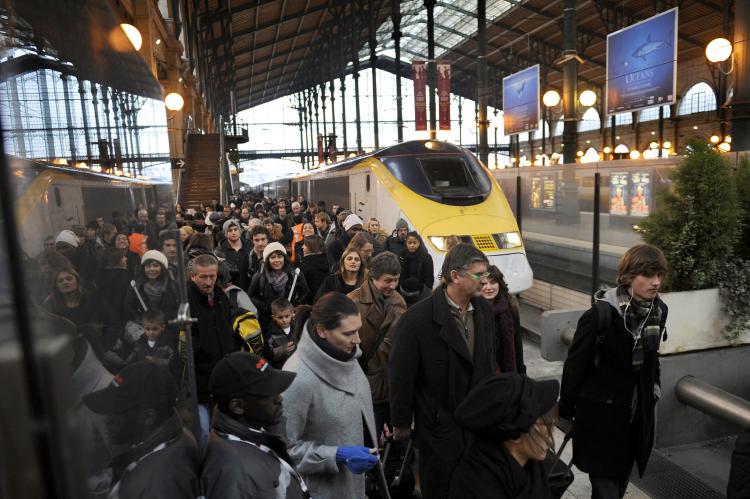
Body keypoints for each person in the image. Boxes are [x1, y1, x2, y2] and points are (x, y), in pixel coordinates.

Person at [559, 244, 669, 499]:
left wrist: (654, 388)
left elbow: (653, 357)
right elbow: (575, 366)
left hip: (636, 420)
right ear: (630, 276)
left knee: (618, 487)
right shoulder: (600, 315)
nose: (656, 282)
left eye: (659, 275)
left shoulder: (658, 311)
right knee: (606, 490)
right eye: (648, 275)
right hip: (601, 419)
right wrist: (566, 413)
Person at [389, 243, 497, 499]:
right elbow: (402, 375)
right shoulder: (417, 320)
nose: (485, 280)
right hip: (440, 428)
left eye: (487, 273)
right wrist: (401, 423)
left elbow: (488, 361)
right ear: (455, 276)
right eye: (479, 274)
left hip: (479, 423)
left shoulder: (483, 311)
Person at [283, 292, 378, 499]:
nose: (358, 339)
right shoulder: (297, 376)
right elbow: (285, 449)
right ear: (322, 331)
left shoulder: (346, 356)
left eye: (358, 330)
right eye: (348, 333)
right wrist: (336, 456)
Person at [82, 362, 199, 498]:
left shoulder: (150, 485)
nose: (107, 420)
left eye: (116, 412)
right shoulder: (175, 440)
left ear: (148, 417)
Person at [202, 352, 307, 499]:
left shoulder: (257, 433)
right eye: (269, 393)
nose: (279, 398)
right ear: (238, 406)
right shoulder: (236, 474)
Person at [448, 374, 560, 499]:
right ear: (514, 436)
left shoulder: (531, 466)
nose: (553, 428)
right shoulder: (474, 487)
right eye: (546, 423)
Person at [347, 251, 405, 439]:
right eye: (388, 280)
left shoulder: (398, 301)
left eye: (396, 280)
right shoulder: (352, 302)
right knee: (367, 440)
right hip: (364, 382)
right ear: (373, 276)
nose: (393, 285)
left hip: (391, 382)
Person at [188, 254, 243, 440]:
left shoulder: (220, 297)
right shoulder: (186, 301)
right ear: (193, 276)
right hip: (200, 378)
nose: (208, 281)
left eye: (212, 276)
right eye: (203, 277)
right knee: (203, 431)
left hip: (223, 373)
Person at [43, 267, 119, 353]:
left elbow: (113, 321)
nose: (65, 282)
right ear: (57, 286)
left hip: (99, 350)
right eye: (60, 281)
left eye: (69, 278)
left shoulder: (94, 299)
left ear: (77, 281)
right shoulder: (52, 307)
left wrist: (105, 347)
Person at [248, 242, 309, 331]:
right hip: (268, 321)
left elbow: (305, 293)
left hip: (290, 320)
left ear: (284, 258)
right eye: (272, 257)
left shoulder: (295, 274)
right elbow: (251, 296)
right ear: (267, 259)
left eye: (280, 256)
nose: (277, 260)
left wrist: (292, 306)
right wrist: (267, 307)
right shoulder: (260, 276)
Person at [480, 265, 525, 373]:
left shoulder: (509, 307)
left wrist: (521, 374)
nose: (489, 287)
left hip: (507, 371)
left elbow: (517, 344)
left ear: (499, 284)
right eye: (484, 284)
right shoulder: (472, 309)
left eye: (493, 282)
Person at [214, 219, 251, 289]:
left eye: (235, 229)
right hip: (230, 288)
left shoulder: (249, 245)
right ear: (225, 233)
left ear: (239, 231)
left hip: (249, 286)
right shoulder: (219, 250)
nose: (233, 233)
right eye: (230, 230)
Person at [265, 297, 297, 368]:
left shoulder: (297, 327)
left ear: (292, 314)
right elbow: (268, 355)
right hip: (281, 367)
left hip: (296, 364)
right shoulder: (271, 334)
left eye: (287, 316)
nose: (284, 320)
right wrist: (282, 350)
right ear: (274, 317)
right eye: (280, 317)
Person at [300, 235, 329, 301]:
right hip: (327, 300)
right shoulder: (328, 261)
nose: (302, 247)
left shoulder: (306, 265)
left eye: (305, 245)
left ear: (312, 247)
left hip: (311, 303)